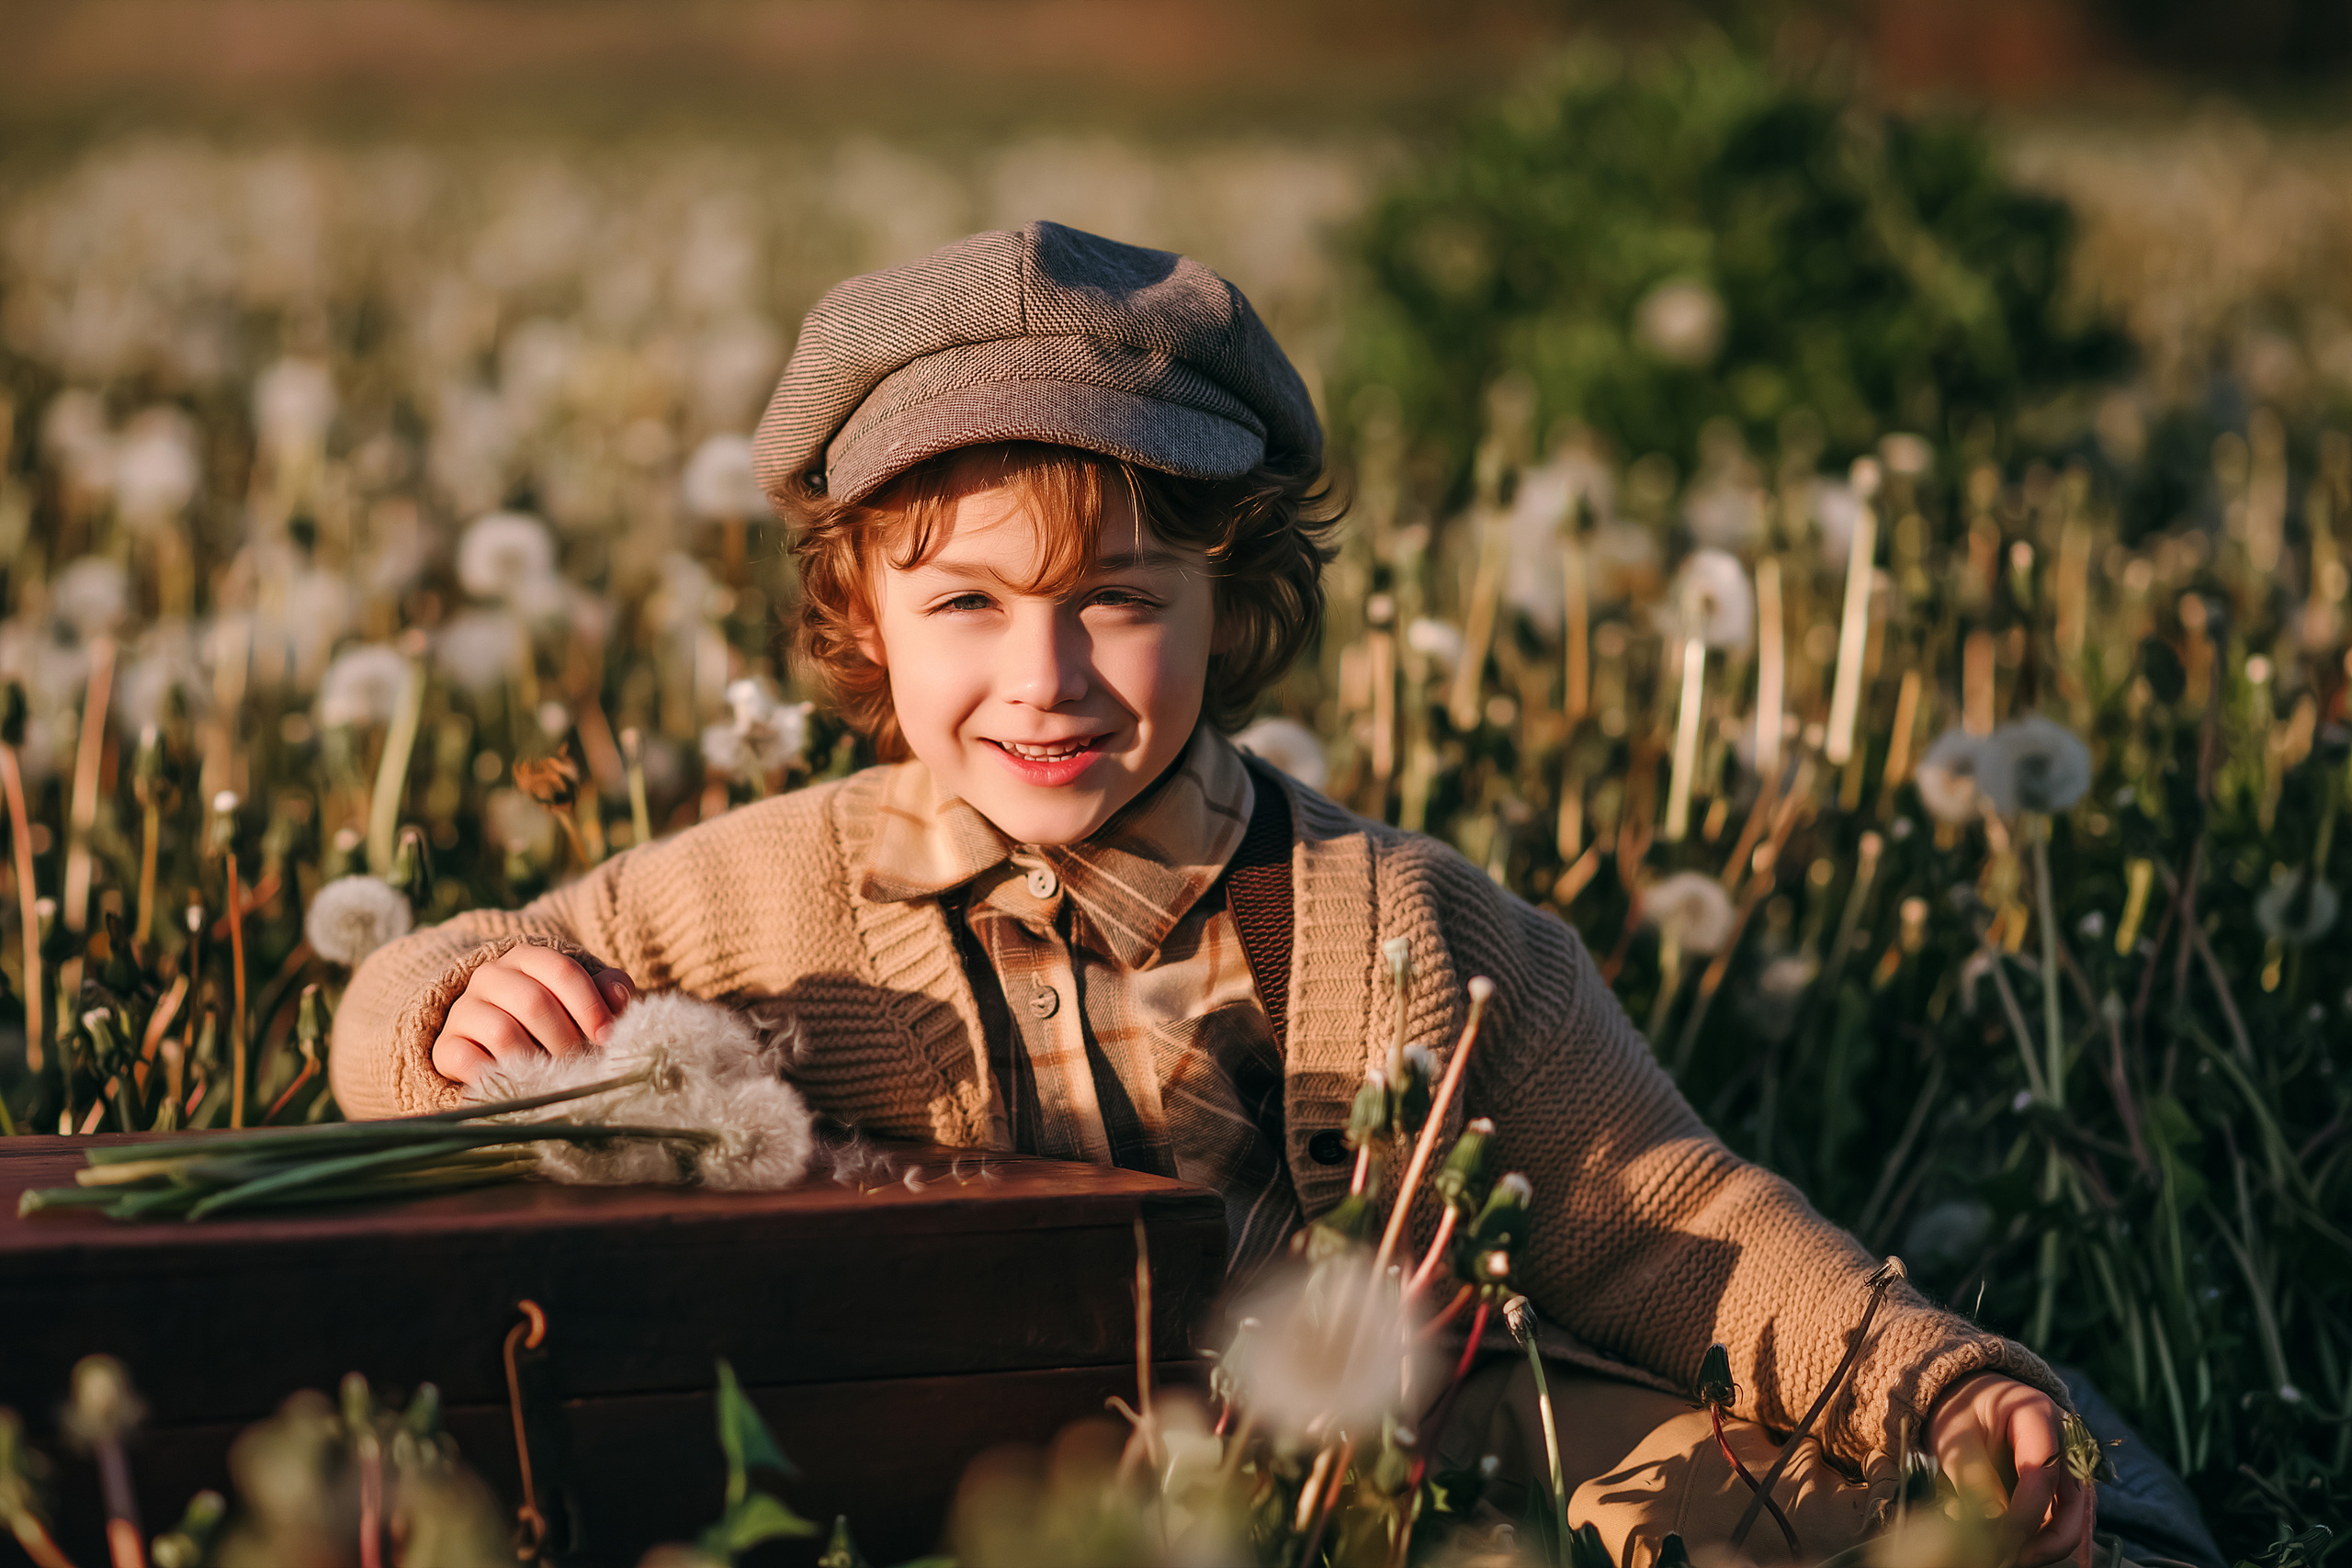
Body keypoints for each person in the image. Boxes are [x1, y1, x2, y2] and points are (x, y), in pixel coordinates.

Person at [330, 220, 2094, 1568]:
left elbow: (1665, 1216)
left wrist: (1928, 1384)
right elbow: (441, 1006)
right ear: (857, 614)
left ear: (1227, 599)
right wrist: (444, 1004)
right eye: (966, 609)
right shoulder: (753, 895)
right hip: (921, 1479)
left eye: (1118, 597)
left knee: (1788, 1505)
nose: (1049, 679)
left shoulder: (1389, 918)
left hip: (1376, 1462)